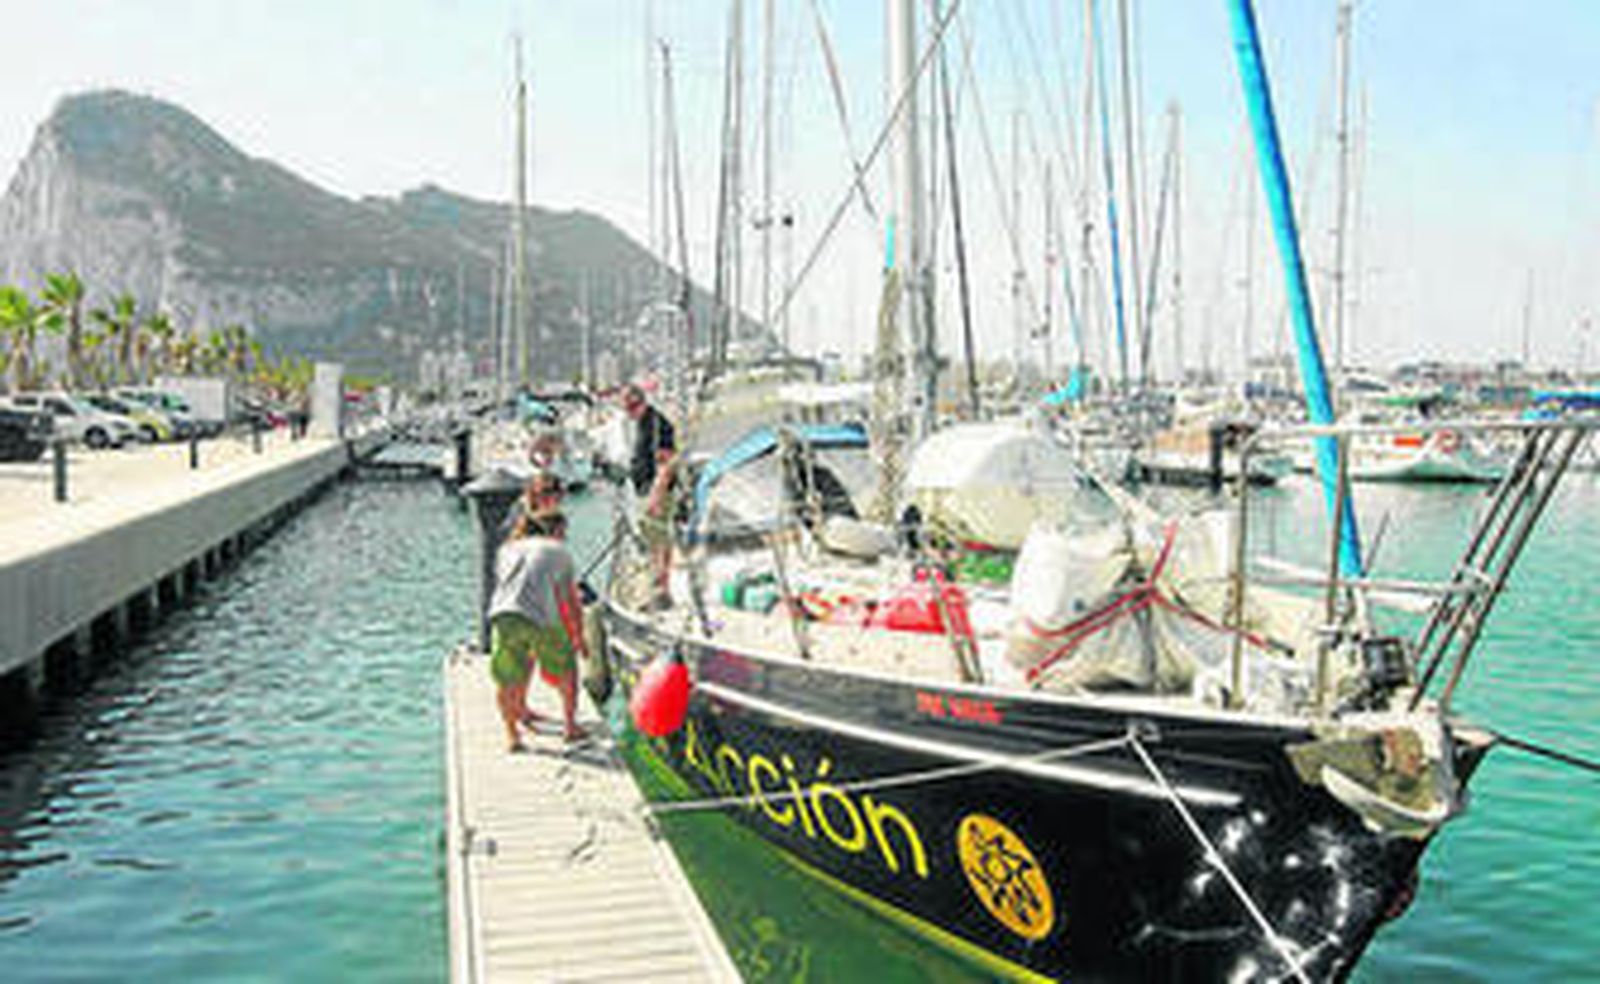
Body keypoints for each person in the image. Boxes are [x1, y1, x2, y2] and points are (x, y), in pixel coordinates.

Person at [488, 475, 589, 752]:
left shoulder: (507, 548)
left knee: (508, 677)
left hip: (501, 614)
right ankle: (571, 728)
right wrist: (578, 638)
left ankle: (512, 736)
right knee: (567, 669)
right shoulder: (559, 552)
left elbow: (508, 582)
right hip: (539, 617)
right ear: (556, 531)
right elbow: (569, 601)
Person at [622, 383, 675, 496]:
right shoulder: (642, 423)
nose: (629, 413)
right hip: (644, 489)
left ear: (642, 403)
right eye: (626, 409)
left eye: (632, 407)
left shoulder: (657, 424)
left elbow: (665, 463)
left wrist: (656, 496)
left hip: (655, 493)